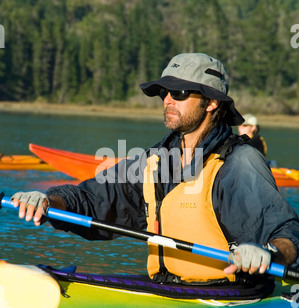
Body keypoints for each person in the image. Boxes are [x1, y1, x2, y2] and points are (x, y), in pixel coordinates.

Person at [11, 53, 299, 284]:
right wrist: (48, 200)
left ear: (211, 102)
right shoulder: (154, 162)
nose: (168, 99)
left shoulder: (240, 162)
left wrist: (270, 253)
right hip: (167, 289)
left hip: (232, 299)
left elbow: (287, 232)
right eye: (164, 92)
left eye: (181, 92)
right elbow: (92, 199)